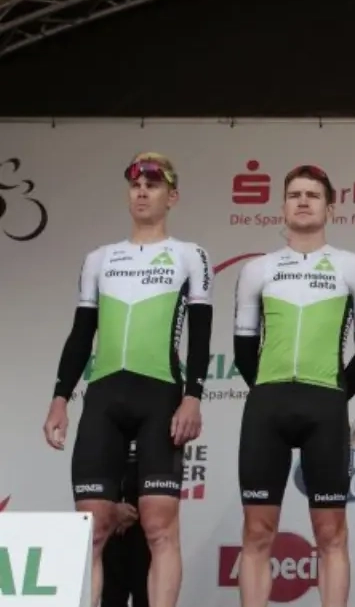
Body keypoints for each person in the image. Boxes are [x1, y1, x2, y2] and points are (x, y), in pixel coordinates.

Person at [43, 152, 211, 607]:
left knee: (160, 526)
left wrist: (193, 396)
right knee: (93, 527)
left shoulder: (190, 255)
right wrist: (60, 397)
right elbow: (81, 334)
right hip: (104, 397)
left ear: (172, 197)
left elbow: (200, 334)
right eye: (135, 184)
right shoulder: (99, 259)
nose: (142, 191)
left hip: (160, 395)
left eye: (153, 185)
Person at [232, 164, 355, 607]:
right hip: (267, 407)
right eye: (295, 194)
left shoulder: (354, 267)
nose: (302, 201)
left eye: (313, 195)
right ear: (282, 206)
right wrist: (267, 390)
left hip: (325, 408)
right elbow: (244, 349)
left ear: (330, 208)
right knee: (257, 531)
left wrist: (334, 395)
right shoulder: (257, 269)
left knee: (331, 532)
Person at [101, 441, 150, 607]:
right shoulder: (102, 434)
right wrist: (111, 507)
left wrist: (136, 510)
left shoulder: (155, 432)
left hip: (149, 525)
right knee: (111, 595)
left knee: (147, 595)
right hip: (109, 525)